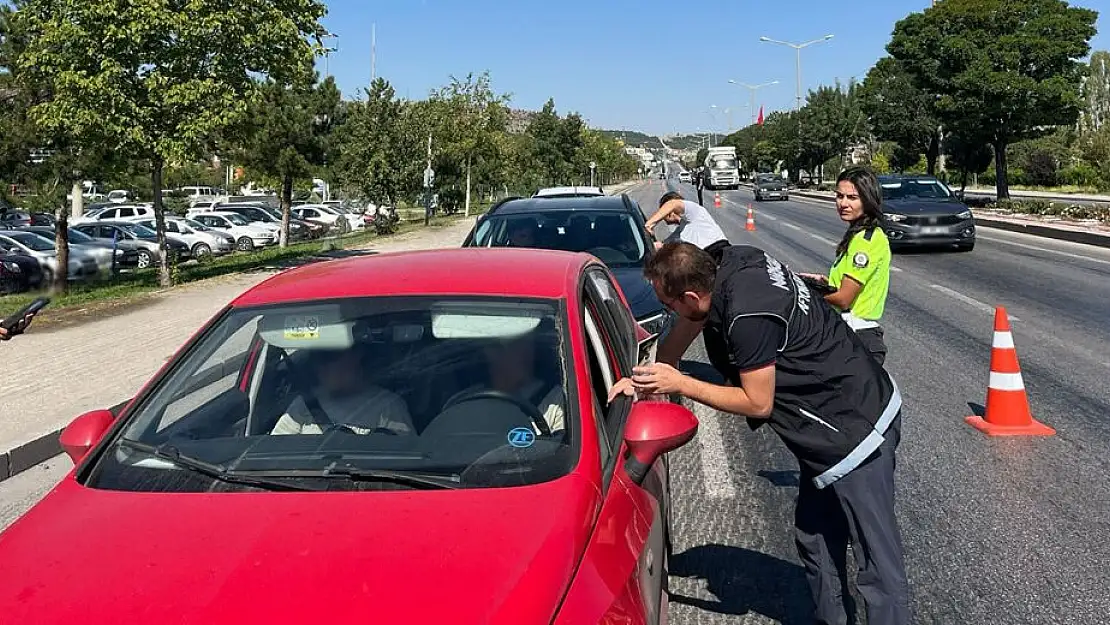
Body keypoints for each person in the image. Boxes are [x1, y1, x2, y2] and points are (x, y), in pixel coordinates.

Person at [611, 241, 909, 625]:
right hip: (825, 434)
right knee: (815, 538)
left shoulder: (748, 315)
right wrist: (644, 381)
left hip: (855, 430)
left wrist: (682, 384)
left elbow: (757, 402)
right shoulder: (726, 262)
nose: (672, 314)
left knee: (877, 564)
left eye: (670, 306)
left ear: (689, 294)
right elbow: (688, 325)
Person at [799, 167, 892, 364]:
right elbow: (843, 286)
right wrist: (824, 283)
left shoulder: (867, 241)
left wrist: (807, 290)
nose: (843, 203)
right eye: (839, 196)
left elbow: (843, 299)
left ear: (868, 199)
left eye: (852, 197)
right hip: (846, 334)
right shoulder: (857, 235)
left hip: (857, 339)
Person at [272, 347, 415, 436]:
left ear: (356, 357)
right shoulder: (304, 403)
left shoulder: (388, 406)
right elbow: (275, 451)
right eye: (318, 359)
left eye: (329, 356)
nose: (322, 367)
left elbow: (408, 459)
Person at [446, 331, 565, 434]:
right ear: (491, 352)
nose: (525, 353)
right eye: (514, 345)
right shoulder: (464, 402)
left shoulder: (559, 401)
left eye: (528, 345)